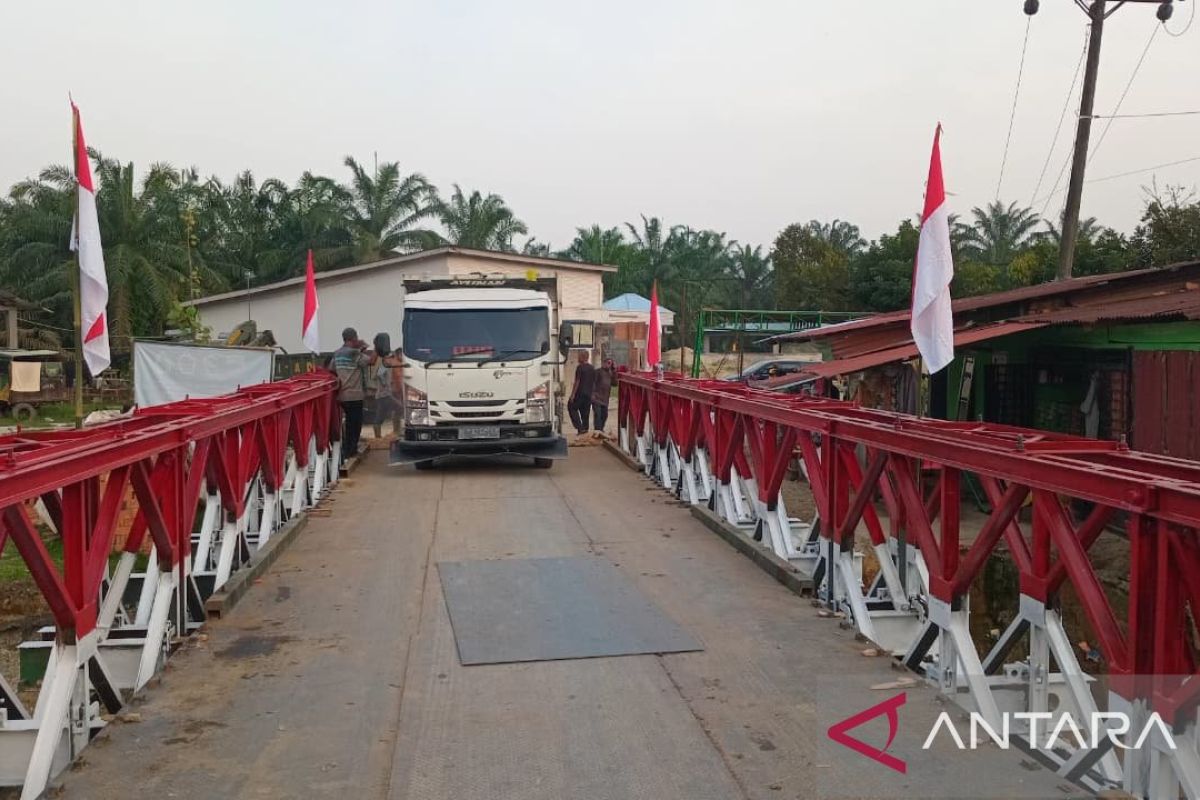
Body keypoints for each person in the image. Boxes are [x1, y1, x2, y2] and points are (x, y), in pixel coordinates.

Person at [329, 327, 375, 462]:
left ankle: (347, 450)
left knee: (348, 423)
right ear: (353, 338)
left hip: (342, 396)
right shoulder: (354, 353)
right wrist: (373, 347)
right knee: (355, 425)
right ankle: (350, 451)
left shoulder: (337, 354)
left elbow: (331, 369)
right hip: (355, 395)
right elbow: (371, 361)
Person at [372, 332, 404, 439]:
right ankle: (391, 434)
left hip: (385, 394)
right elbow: (380, 374)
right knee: (399, 408)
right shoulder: (385, 361)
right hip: (384, 394)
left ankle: (392, 433)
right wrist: (386, 385)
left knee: (383, 415)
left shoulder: (385, 360)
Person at [567, 350, 596, 435]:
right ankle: (585, 429)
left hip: (580, 393)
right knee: (585, 412)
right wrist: (593, 394)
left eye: (579, 356)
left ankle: (579, 428)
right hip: (588, 394)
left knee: (571, 406)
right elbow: (594, 382)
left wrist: (572, 395)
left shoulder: (580, 367)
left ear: (583, 357)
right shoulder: (592, 368)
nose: (577, 358)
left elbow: (577, 381)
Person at [592, 357, 615, 433]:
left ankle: (601, 429)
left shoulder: (610, 373)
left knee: (604, 415)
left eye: (610, 363)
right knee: (597, 415)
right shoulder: (598, 372)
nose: (608, 365)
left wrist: (614, 371)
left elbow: (615, 383)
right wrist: (592, 394)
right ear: (604, 363)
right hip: (597, 397)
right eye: (608, 363)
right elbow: (593, 383)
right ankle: (597, 430)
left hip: (605, 398)